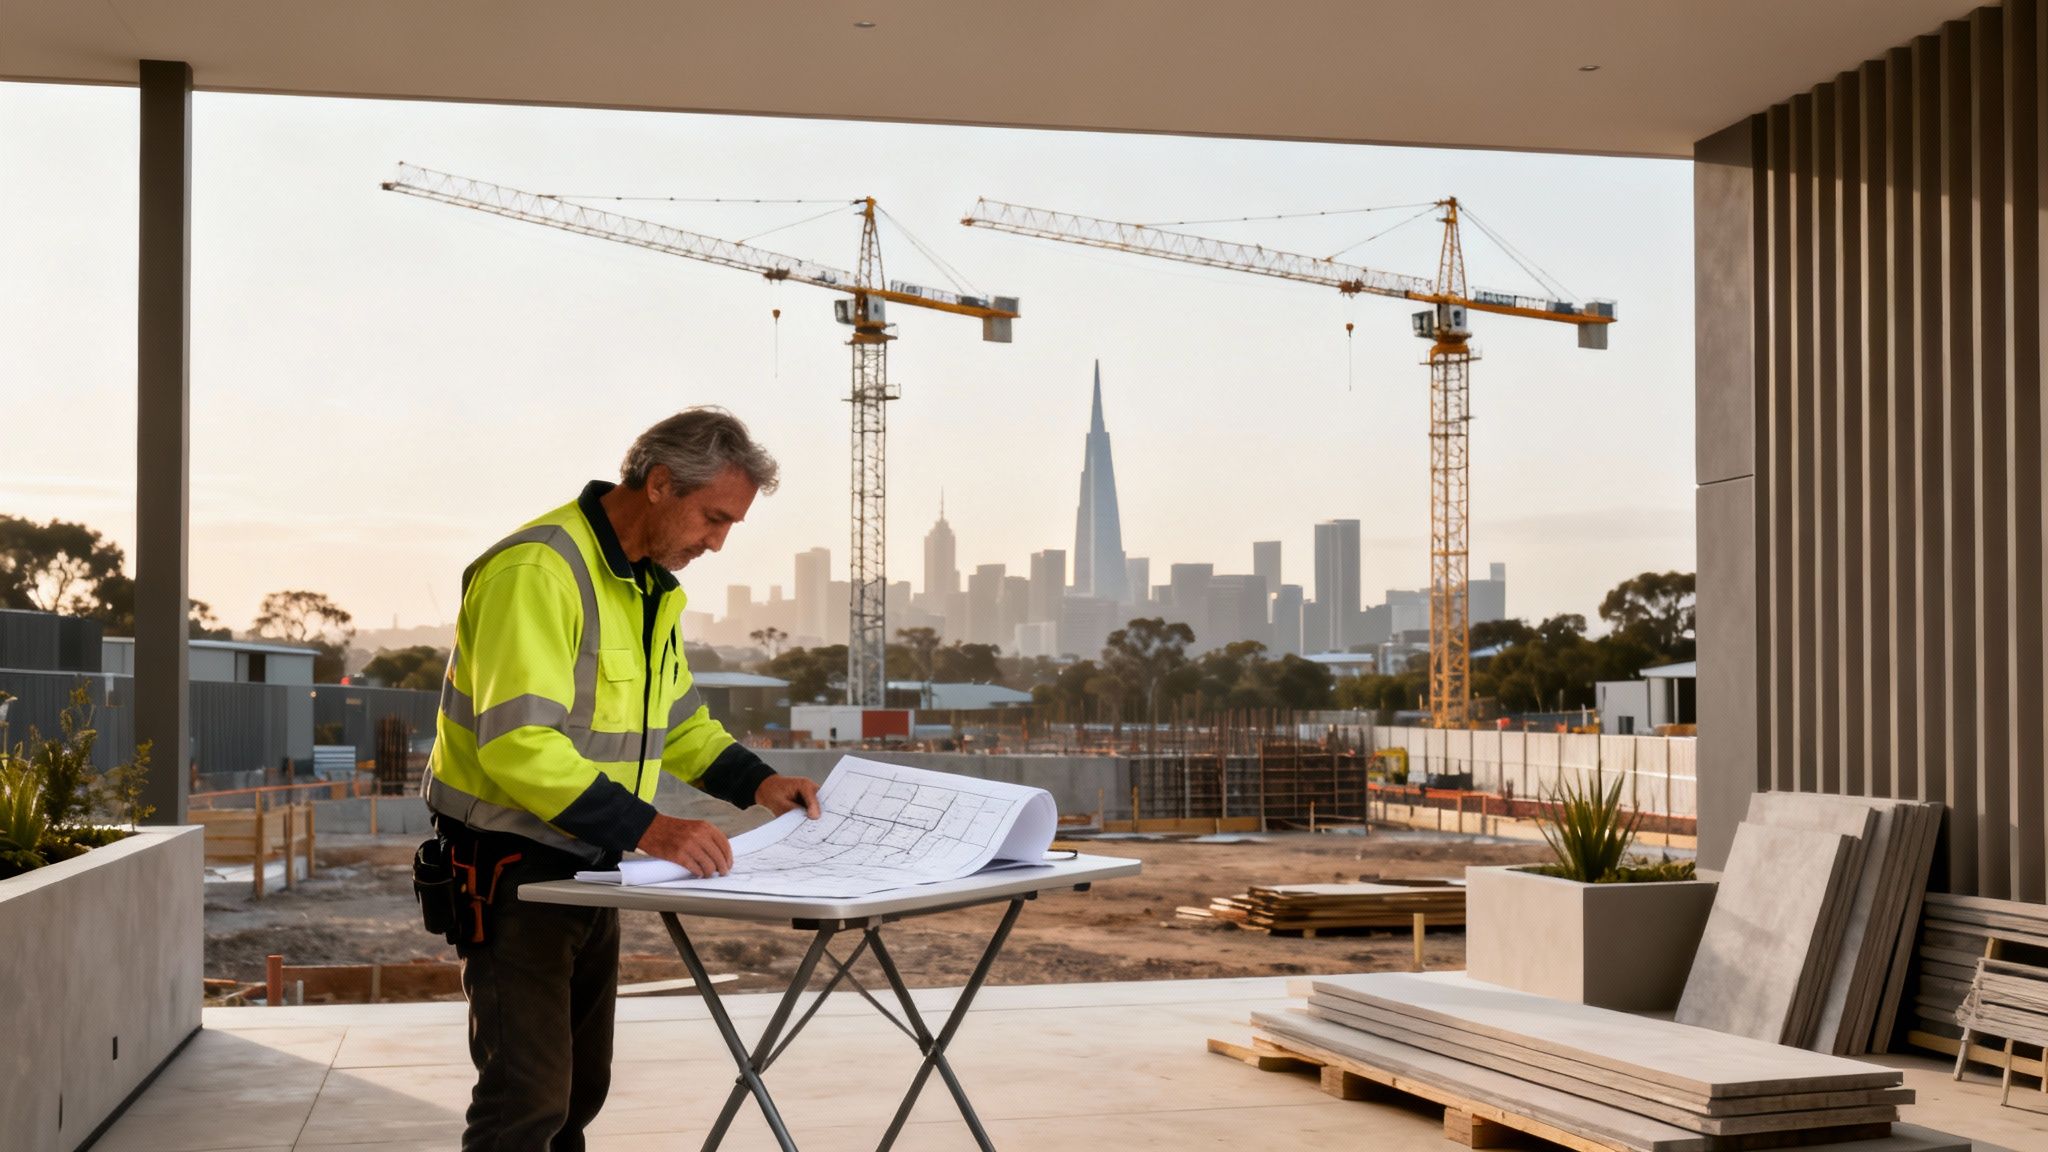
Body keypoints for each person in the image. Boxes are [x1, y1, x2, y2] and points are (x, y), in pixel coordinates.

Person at [421, 407, 821, 1151]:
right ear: (661, 484)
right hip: (511, 875)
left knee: (577, 1095)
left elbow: (678, 722)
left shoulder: (648, 589)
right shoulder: (539, 570)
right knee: (526, 1103)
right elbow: (517, 745)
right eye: (712, 518)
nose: (717, 542)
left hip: (590, 867)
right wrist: (652, 829)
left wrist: (760, 784)